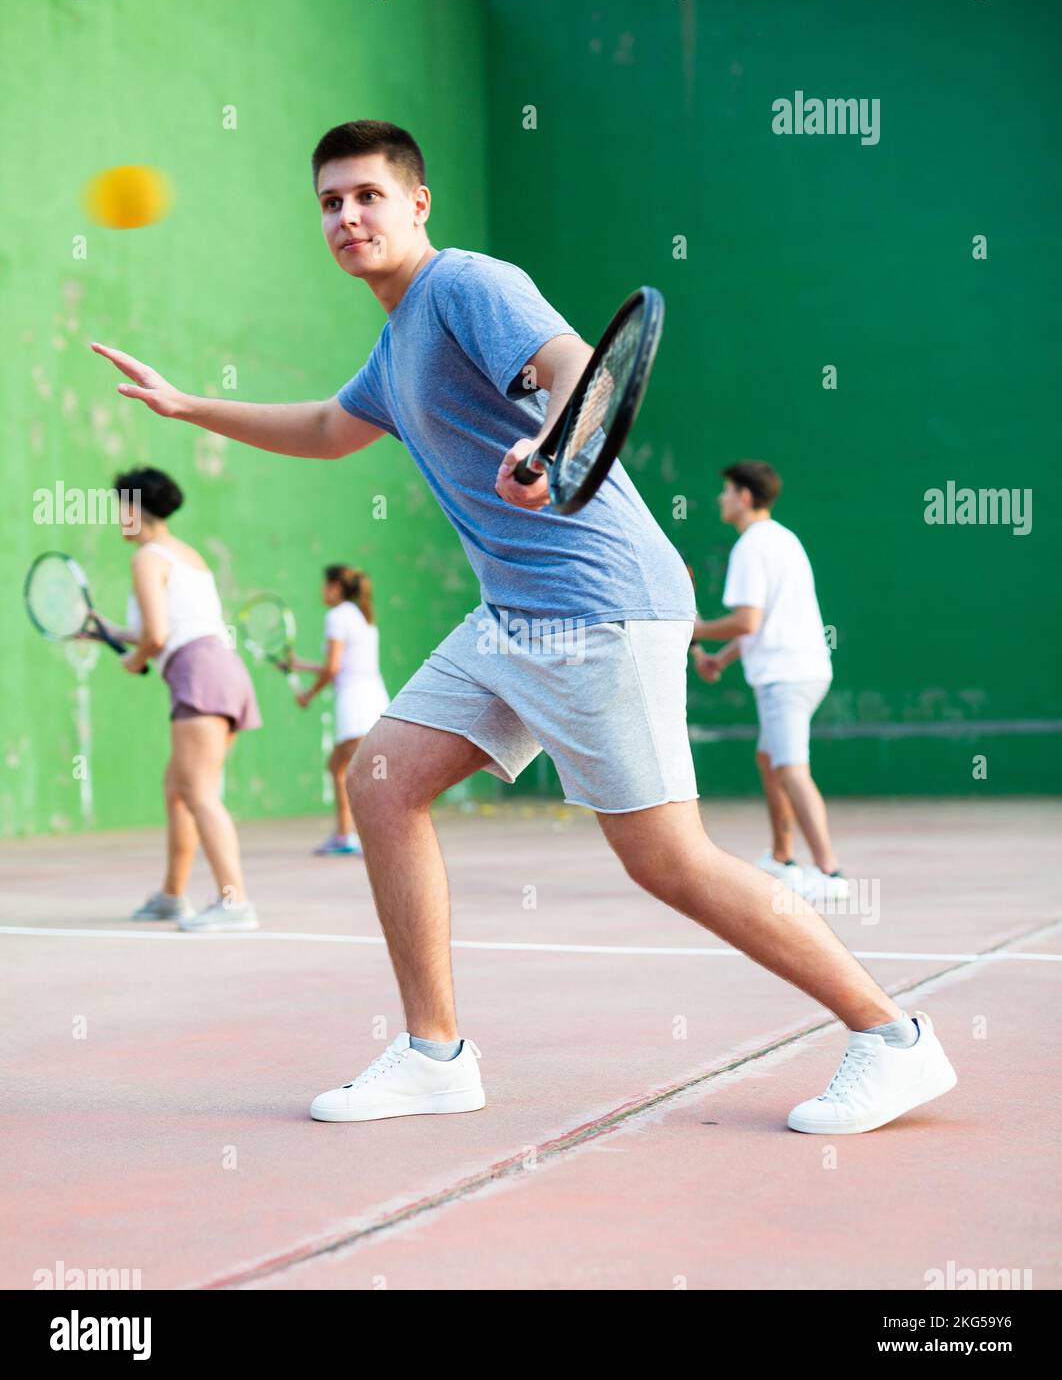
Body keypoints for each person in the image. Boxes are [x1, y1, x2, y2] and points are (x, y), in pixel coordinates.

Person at [90, 120, 957, 1134]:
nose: (348, 216)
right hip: (515, 614)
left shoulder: (466, 285)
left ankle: (893, 1038)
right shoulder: (396, 337)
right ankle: (434, 1055)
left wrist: (546, 443)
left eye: (368, 195)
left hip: (597, 600)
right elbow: (330, 430)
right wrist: (192, 408)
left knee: (667, 860)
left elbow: (572, 365)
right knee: (380, 780)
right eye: (330, 202)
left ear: (417, 203)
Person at [95, 467, 261, 933]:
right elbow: (168, 627)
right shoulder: (186, 554)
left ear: (133, 509)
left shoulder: (147, 556)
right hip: (221, 670)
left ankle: (235, 902)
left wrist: (134, 659)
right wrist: (112, 631)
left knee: (199, 793)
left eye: (119, 509)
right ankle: (172, 895)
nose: (117, 519)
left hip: (198, 673)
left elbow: (158, 635)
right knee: (180, 789)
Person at [690, 462, 846, 902]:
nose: (720, 499)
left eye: (725, 491)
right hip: (805, 668)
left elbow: (746, 619)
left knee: (793, 770)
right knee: (769, 758)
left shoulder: (751, 547)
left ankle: (831, 874)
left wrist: (698, 632)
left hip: (785, 677)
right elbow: (765, 624)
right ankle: (782, 859)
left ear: (743, 496)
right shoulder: (785, 540)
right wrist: (718, 659)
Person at [289, 565, 389, 856]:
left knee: (353, 771)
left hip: (356, 703)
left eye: (325, 585)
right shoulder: (362, 616)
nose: (322, 591)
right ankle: (348, 834)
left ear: (335, 587)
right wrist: (301, 666)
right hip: (374, 698)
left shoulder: (336, 616)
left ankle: (362, 836)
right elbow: (342, 665)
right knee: (342, 767)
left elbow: (333, 668)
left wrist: (308, 694)